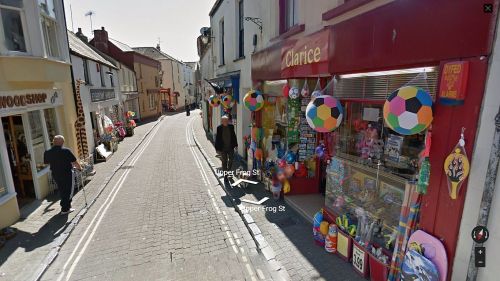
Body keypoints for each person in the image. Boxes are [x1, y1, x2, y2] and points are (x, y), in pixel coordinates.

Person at [44, 135, 81, 215]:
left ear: (53, 142)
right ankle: (65, 208)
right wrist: (79, 168)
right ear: (62, 142)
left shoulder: (47, 152)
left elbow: (46, 162)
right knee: (68, 191)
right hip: (67, 173)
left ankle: (66, 206)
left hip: (55, 174)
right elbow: (74, 162)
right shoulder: (66, 151)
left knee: (62, 189)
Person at [215, 115, 238, 180]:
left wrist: (236, 145)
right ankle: (225, 176)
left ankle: (228, 171)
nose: (226, 122)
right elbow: (217, 138)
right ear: (222, 121)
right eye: (224, 121)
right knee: (224, 162)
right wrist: (217, 148)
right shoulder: (219, 128)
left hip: (230, 147)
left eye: (227, 120)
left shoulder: (231, 127)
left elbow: (234, 136)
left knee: (231, 160)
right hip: (223, 148)